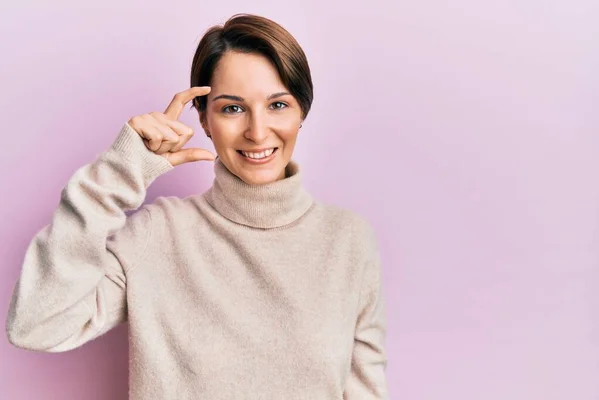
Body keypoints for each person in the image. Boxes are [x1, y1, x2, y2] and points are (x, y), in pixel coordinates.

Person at [6, 13, 388, 399]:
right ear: (204, 118)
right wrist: (119, 172)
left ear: (301, 112)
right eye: (232, 108)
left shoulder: (348, 240)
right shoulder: (157, 235)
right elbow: (36, 325)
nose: (257, 132)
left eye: (277, 104)